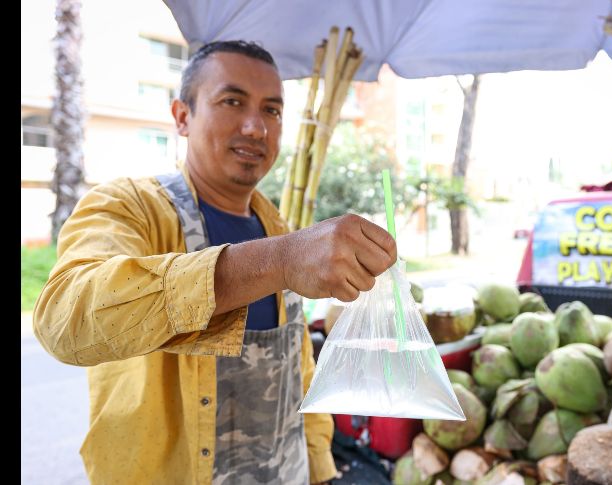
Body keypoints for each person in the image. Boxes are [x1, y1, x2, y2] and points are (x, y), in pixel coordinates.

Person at [32, 40, 397, 485]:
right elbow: (63, 320)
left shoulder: (278, 226)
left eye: (272, 111)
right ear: (182, 117)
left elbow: (300, 370)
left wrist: (319, 468)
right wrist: (278, 260)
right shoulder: (129, 207)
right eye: (232, 101)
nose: (256, 127)